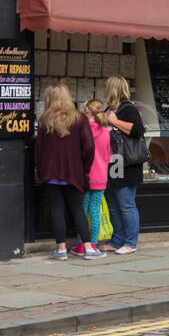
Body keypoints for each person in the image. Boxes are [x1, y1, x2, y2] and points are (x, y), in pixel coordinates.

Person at [34, 84, 104, 260]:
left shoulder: (44, 120)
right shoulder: (79, 118)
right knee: (78, 209)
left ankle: (61, 250)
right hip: (74, 172)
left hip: (50, 173)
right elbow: (89, 147)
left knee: (57, 210)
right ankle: (88, 249)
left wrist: (39, 169)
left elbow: (39, 150)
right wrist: (85, 169)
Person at [104, 75, 145, 254]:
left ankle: (130, 243)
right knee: (113, 204)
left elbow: (137, 130)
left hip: (127, 164)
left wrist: (114, 122)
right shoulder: (110, 109)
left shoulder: (129, 109)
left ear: (112, 89)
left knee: (126, 204)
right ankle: (117, 240)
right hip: (114, 162)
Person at [71, 99, 112, 255]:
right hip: (101, 177)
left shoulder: (83, 129)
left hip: (86, 177)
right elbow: (108, 156)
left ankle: (81, 245)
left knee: (82, 211)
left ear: (87, 110)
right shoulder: (105, 131)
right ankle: (93, 245)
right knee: (94, 211)